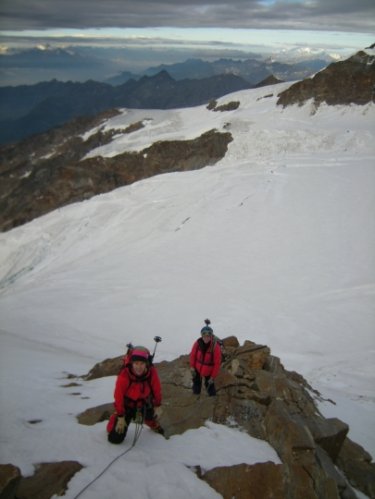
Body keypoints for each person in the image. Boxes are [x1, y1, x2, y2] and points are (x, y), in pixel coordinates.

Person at [107, 346, 164, 444]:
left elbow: (156, 389)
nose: (139, 367)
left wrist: (157, 404)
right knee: (115, 439)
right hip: (127, 406)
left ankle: (152, 423)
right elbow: (118, 396)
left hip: (143, 403)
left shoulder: (151, 373)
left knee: (151, 416)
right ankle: (114, 419)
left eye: (142, 363)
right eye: (136, 363)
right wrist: (120, 416)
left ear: (146, 364)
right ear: (131, 363)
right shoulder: (124, 375)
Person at [190, 320, 221, 396]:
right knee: (196, 383)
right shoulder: (198, 343)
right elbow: (193, 355)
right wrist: (192, 367)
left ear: (211, 336)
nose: (206, 338)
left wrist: (212, 377)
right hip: (197, 369)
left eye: (208, 336)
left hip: (209, 372)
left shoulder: (215, 347)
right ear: (202, 335)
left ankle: (212, 399)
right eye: (204, 335)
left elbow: (217, 363)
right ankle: (196, 396)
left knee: (210, 386)